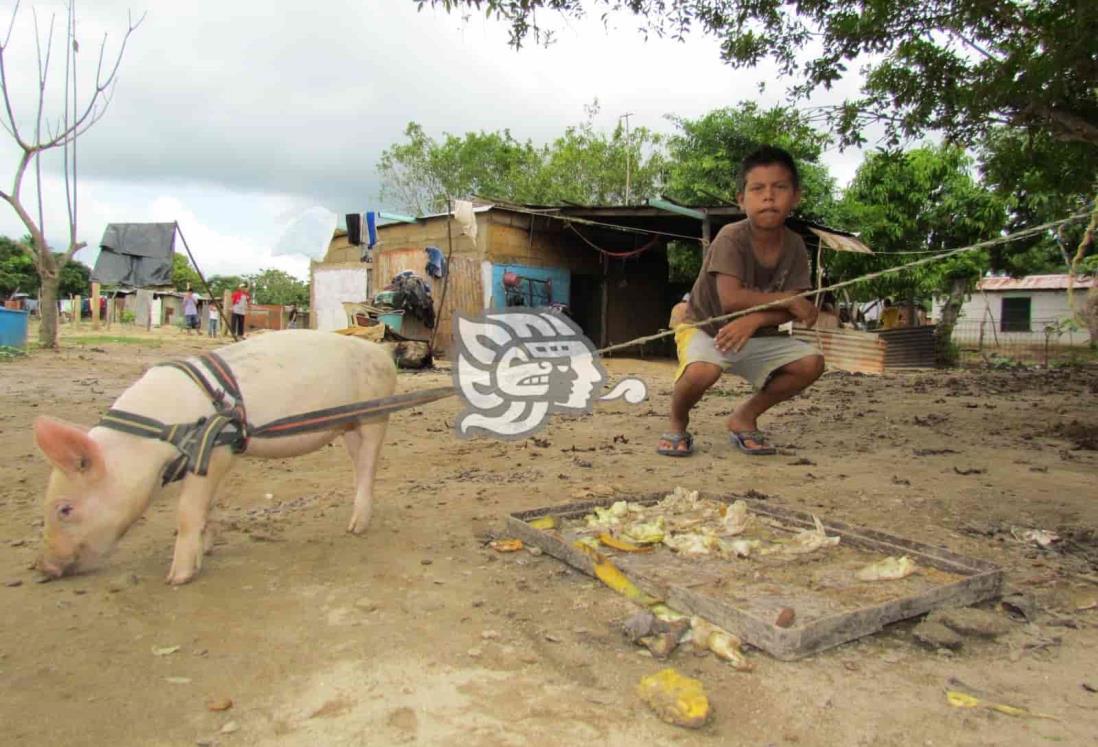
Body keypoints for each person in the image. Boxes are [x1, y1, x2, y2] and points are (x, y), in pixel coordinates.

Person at [658, 145, 824, 457]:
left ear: (796, 195)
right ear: (741, 199)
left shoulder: (796, 246)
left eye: (780, 187)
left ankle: (744, 417)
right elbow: (731, 300)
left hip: (757, 336)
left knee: (811, 362)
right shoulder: (730, 237)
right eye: (758, 189)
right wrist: (787, 299)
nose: (769, 197)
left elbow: (798, 310)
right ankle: (677, 422)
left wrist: (758, 319)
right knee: (701, 373)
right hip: (706, 330)